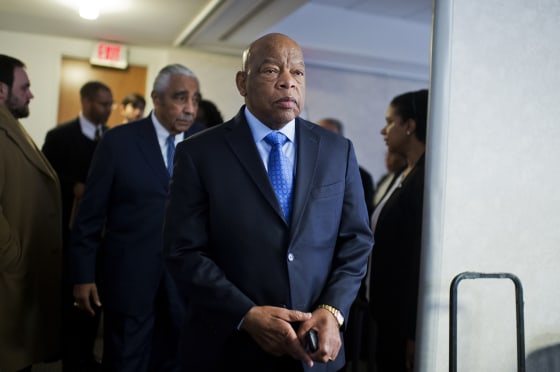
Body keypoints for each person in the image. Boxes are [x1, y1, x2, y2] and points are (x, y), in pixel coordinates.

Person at [163, 33, 373, 372]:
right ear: (242, 82)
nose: (288, 82)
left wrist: (332, 310)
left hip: (316, 349)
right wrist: (245, 314)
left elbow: (357, 241)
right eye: (272, 71)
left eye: (298, 73)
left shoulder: (337, 150)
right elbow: (182, 251)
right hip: (228, 348)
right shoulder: (199, 153)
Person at [69, 64, 203, 372]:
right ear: (156, 98)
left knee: (176, 361)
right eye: (180, 98)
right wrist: (83, 275)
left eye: (195, 100)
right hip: (129, 278)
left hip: (184, 283)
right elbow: (90, 215)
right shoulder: (119, 142)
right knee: (126, 361)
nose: (189, 108)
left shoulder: (203, 144)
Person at [42, 80, 113, 371]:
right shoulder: (59, 137)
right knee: (72, 301)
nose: (108, 110)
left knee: (96, 301)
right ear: (85, 101)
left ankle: (87, 356)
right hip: (70, 233)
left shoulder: (111, 138)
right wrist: (75, 187)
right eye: (101, 104)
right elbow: (47, 180)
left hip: (105, 236)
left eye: (110, 104)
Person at [0, 54, 63, 372]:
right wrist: (14, 256)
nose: (30, 94)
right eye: (24, 87)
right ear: (1, 90)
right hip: (8, 276)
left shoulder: (11, 126)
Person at [368, 89, 429, 372]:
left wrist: (414, 333)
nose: (384, 129)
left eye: (390, 121)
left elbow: (418, 259)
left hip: (403, 321)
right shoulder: (403, 173)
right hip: (384, 311)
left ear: (410, 125)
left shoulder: (426, 178)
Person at [316, 117, 375, 218]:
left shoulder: (361, 177)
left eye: (330, 138)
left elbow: (363, 217)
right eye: (318, 137)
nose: (323, 143)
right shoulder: (301, 174)